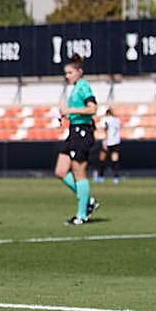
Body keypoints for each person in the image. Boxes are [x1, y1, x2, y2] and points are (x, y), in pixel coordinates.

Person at [52, 57, 99, 224]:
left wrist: (70, 110)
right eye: (66, 73)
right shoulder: (75, 88)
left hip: (82, 132)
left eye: (70, 72)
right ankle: (88, 201)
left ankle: (81, 215)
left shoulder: (83, 86)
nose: (67, 76)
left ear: (79, 71)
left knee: (79, 172)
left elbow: (93, 108)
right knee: (61, 170)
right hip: (73, 131)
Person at [96, 107, 122, 184]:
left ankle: (100, 177)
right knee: (115, 160)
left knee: (102, 159)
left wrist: (105, 141)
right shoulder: (117, 120)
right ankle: (116, 177)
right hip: (116, 142)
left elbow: (106, 130)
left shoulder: (106, 120)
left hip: (108, 142)